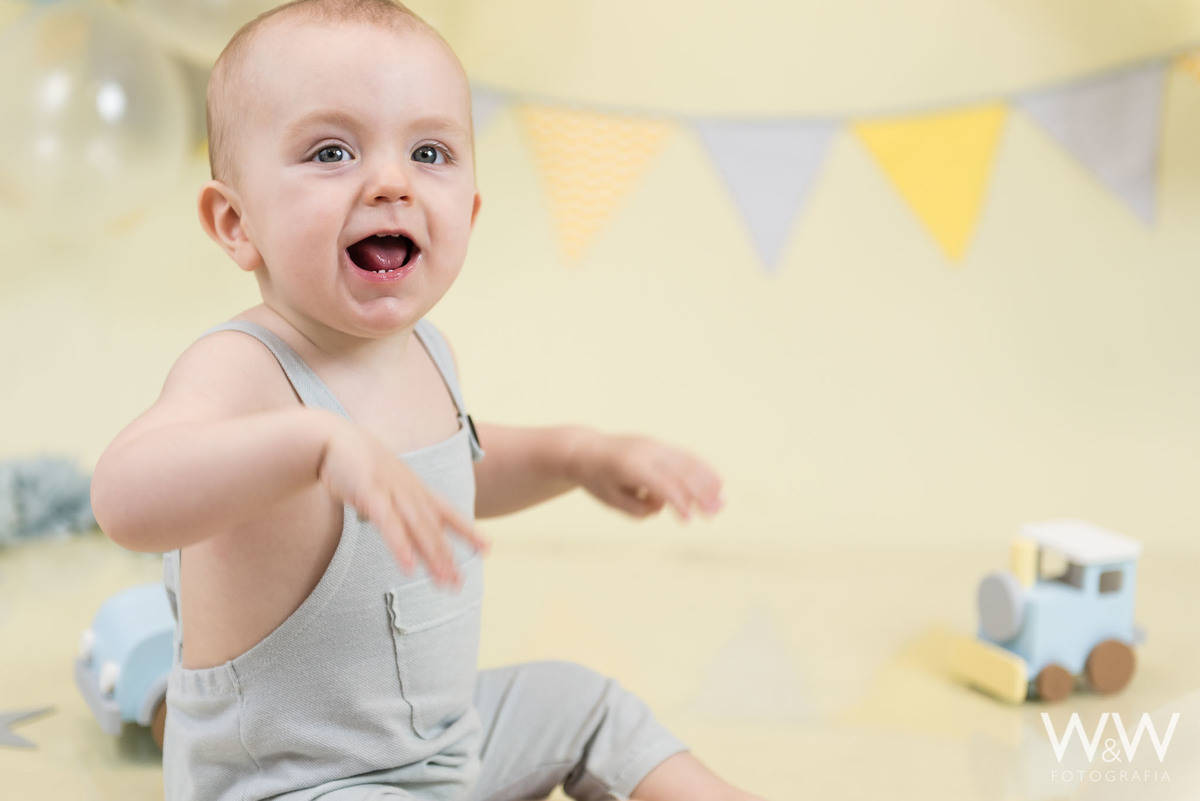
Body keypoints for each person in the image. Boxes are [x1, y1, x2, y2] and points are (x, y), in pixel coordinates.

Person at [91, 2, 765, 800]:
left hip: (445, 750)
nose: (390, 182)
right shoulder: (243, 370)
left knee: (585, 704)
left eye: (431, 151)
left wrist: (580, 454)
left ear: (470, 213)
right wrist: (309, 445)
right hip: (297, 784)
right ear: (236, 222)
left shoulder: (427, 354)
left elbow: (447, 477)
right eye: (332, 151)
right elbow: (123, 496)